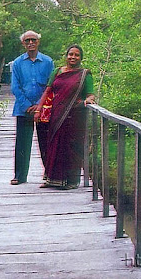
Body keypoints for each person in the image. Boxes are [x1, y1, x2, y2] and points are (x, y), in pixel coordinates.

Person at [34, 44, 95, 190]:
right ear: (66, 56)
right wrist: (39, 109)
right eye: (70, 54)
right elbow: (48, 91)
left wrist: (89, 100)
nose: (73, 57)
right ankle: (51, 179)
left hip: (74, 117)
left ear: (81, 58)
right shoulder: (57, 71)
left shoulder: (85, 75)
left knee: (70, 148)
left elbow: (90, 94)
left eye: (76, 55)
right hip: (56, 115)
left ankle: (71, 181)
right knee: (52, 145)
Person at [10, 30, 54, 185]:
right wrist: (28, 105)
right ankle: (19, 176)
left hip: (43, 109)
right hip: (23, 109)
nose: (30, 43)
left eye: (33, 40)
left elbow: (51, 85)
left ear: (38, 42)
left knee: (46, 142)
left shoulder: (48, 62)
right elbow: (15, 87)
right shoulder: (17, 63)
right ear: (23, 43)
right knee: (22, 143)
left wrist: (39, 105)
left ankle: (49, 174)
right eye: (27, 40)